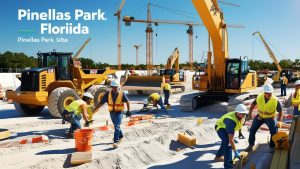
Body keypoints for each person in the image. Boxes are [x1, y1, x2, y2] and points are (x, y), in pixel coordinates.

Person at [244, 84, 283, 152]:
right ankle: (251, 145)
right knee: (252, 129)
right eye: (267, 93)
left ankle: (272, 146)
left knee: (274, 132)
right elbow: (253, 104)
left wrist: (280, 121)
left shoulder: (275, 100)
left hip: (271, 118)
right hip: (260, 116)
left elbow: (281, 111)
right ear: (264, 92)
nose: (269, 94)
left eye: (270, 93)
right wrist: (250, 114)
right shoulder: (259, 97)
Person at [93, 80, 131, 148]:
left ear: (118, 87)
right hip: (112, 112)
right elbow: (101, 102)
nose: (114, 89)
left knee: (116, 126)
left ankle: (116, 141)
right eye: (113, 87)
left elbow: (127, 101)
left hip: (119, 112)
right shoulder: (108, 93)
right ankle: (121, 136)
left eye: (115, 87)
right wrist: (95, 109)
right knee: (116, 126)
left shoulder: (122, 94)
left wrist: (128, 110)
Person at [214, 104, 248, 168]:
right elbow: (231, 139)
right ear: (237, 112)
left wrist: (240, 133)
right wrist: (235, 151)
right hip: (221, 127)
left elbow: (239, 123)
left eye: (244, 113)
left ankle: (218, 157)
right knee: (228, 144)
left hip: (228, 127)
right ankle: (228, 166)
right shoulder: (231, 121)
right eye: (242, 113)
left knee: (225, 142)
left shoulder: (243, 116)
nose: (244, 115)